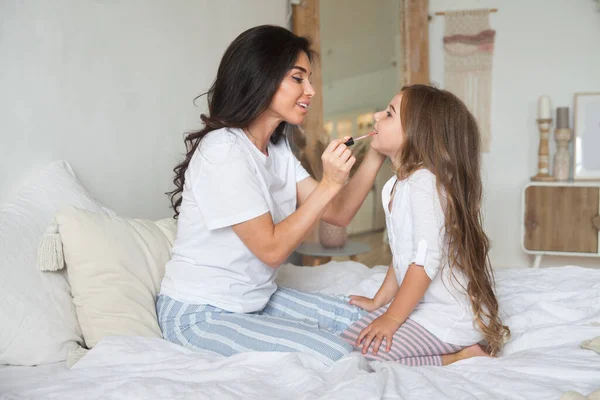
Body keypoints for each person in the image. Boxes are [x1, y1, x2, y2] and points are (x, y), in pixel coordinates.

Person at [155, 25, 386, 365]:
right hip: (200, 314)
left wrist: (378, 152)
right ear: (261, 77)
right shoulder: (223, 150)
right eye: (298, 78)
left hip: (255, 301)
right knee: (335, 353)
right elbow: (272, 249)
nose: (311, 90)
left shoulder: (276, 149)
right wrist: (328, 184)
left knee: (363, 320)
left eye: (309, 79)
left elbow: (337, 213)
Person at [342, 84, 510, 366]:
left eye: (389, 114)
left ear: (416, 134)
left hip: (447, 316)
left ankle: (460, 354)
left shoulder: (423, 184)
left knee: (365, 356)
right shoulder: (398, 184)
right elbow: (403, 256)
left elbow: (423, 261)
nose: (375, 116)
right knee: (349, 340)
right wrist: (378, 302)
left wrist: (392, 318)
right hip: (423, 308)